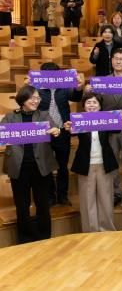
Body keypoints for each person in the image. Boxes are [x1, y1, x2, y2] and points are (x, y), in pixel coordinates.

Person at [1, 85, 61, 243]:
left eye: (38, 98)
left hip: (41, 167)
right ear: (23, 99)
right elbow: (2, 134)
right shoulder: (10, 117)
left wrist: (56, 131)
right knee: (22, 206)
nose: (36, 101)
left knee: (43, 204)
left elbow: (55, 128)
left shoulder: (44, 115)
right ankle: (25, 239)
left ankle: (44, 237)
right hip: (18, 167)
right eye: (32, 98)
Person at [89, 48, 122, 207]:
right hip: (109, 128)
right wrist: (89, 92)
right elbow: (94, 103)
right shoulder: (103, 81)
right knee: (111, 162)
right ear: (111, 61)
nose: (119, 61)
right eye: (116, 58)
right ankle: (115, 193)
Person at [66, 93, 117, 232]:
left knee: (106, 199)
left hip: (104, 164)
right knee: (87, 201)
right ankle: (90, 232)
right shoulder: (78, 120)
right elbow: (70, 131)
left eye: (95, 102)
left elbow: (117, 128)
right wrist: (68, 127)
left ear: (100, 106)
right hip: (85, 165)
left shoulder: (106, 119)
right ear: (84, 106)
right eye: (88, 102)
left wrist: (121, 122)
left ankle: (107, 230)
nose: (92, 105)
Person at [35, 63, 84, 206]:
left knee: (63, 166)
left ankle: (62, 195)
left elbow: (76, 97)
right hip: (44, 132)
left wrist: (79, 88)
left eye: (54, 74)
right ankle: (50, 196)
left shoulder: (64, 87)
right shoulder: (37, 89)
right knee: (47, 166)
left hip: (62, 131)